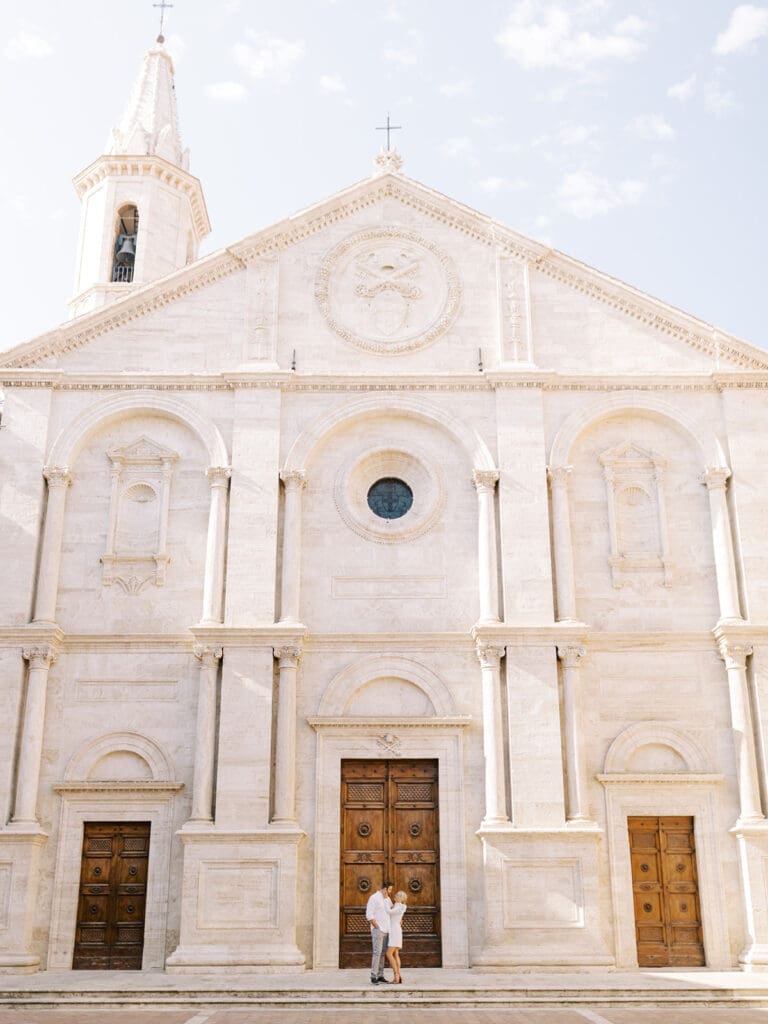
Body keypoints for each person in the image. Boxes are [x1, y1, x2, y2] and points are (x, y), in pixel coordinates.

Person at [365, 879, 393, 984]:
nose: (390, 891)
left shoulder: (387, 899)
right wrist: (376, 926)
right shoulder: (374, 898)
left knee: (382, 953)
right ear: (385, 889)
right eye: (389, 889)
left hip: (387, 929)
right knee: (377, 952)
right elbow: (369, 914)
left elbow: (391, 910)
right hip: (378, 929)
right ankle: (373, 976)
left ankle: (380, 975)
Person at [385, 890, 408, 984]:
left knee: (389, 953)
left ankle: (396, 976)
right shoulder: (402, 906)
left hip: (394, 930)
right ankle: (399, 975)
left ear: (400, 898)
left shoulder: (398, 906)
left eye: (396, 896)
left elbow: (388, 911)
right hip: (396, 930)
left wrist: (385, 900)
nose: (394, 896)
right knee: (395, 953)